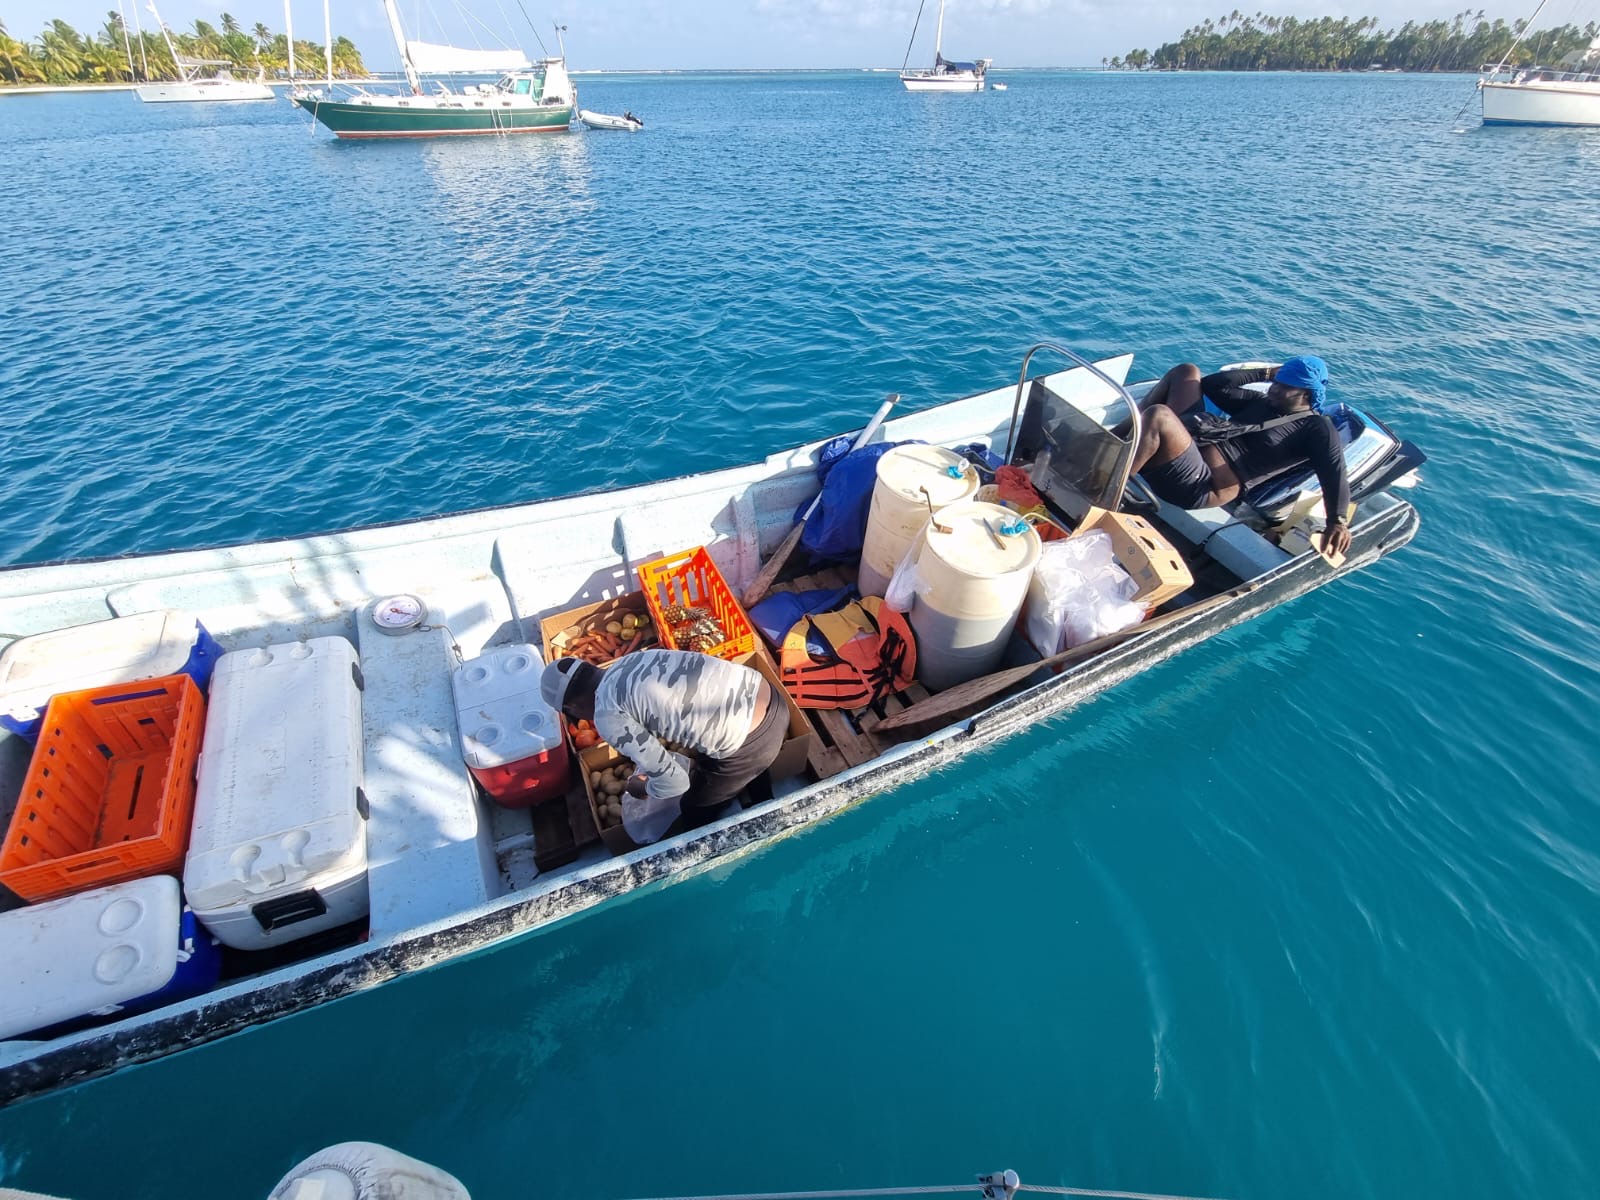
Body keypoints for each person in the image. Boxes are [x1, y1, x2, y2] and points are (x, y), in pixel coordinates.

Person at [540, 648, 786, 840]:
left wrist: (643, 789)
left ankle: (765, 832)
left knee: (693, 812)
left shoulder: (607, 715)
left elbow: (675, 783)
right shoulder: (629, 661)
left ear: (572, 707)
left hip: (752, 741)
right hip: (773, 700)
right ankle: (764, 800)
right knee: (714, 759)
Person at [1129, 355, 1352, 558]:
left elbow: (1335, 473)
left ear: (1306, 393)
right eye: (1276, 383)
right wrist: (1266, 373)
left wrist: (1337, 521)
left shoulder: (1317, 428)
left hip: (1202, 485)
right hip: (1188, 453)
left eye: (1285, 387)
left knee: (1160, 416)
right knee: (1186, 372)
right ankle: (1119, 438)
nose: (1274, 389)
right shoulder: (1262, 402)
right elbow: (1213, 385)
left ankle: (1110, 488)